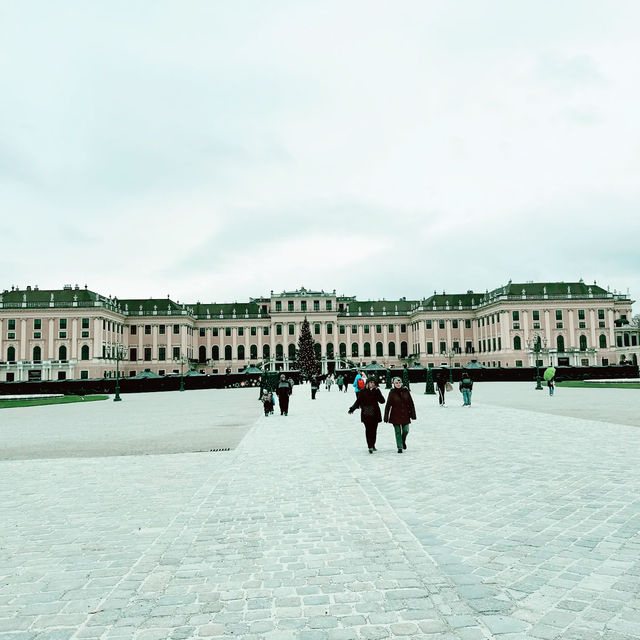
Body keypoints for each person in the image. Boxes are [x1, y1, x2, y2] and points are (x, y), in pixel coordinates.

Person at [348, 376, 385, 454]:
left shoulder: (376, 391)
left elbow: (382, 401)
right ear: (367, 383)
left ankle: (373, 444)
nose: (372, 384)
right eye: (371, 382)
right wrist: (352, 408)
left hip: (375, 413)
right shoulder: (362, 391)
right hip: (366, 413)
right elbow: (358, 401)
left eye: (374, 383)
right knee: (368, 430)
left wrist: (378, 392)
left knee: (374, 430)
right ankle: (370, 446)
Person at [384, 377, 416, 453]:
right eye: (396, 383)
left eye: (399, 383)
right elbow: (388, 405)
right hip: (395, 415)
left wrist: (413, 414)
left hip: (405, 414)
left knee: (406, 430)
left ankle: (403, 441)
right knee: (397, 431)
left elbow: (411, 403)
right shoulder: (392, 392)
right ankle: (400, 446)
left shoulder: (406, 391)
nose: (398, 384)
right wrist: (386, 416)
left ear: (401, 383)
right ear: (394, 384)